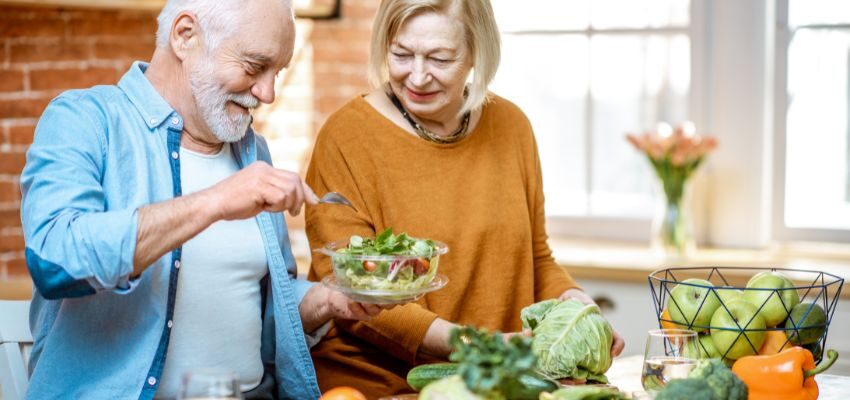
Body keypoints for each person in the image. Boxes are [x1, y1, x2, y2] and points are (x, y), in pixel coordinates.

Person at [19, 0, 386, 398]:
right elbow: (54, 260)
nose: (268, 93)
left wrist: (327, 301)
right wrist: (215, 201)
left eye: (277, 72)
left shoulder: (251, 151)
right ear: (185, 35)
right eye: (253, 66)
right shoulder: (85, 120)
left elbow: (257, 310)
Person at [304, 0, 626, 397]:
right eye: (401, 54)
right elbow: (349, 291)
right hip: (378, 386)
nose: (417, 77)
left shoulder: (512, 127)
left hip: (493, 382)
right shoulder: (347, 137)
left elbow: (535, 258)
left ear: (477, 52)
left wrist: (579, 310)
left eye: (440, 58)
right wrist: (478, 346)